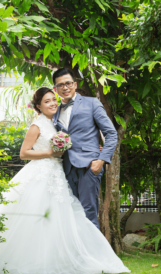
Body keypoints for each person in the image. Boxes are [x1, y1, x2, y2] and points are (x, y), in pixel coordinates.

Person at [0, 87, 130, 274]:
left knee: (60, 217)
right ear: (38, 106)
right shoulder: (36, 125)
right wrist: (50, 153)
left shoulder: (56, 123)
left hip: (57, 174)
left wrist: (97, 151)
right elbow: (24, 153)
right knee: (37, 218)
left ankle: (64, 257)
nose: (52, 103)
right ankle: (33, 261)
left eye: (53, 100)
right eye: (47, 101)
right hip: (40, 174)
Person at [52, 68, 118, 229]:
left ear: (74, 84)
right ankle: (77, 253)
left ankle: (94, 254)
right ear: (55, 89)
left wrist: (101, 160)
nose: (65, 87)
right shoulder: (54, 112)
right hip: (65, 168)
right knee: (72, 213)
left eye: (68, 83)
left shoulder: (92, 103)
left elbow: (111, 133)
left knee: (88, 212)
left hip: (89, 166)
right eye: (60, 85)